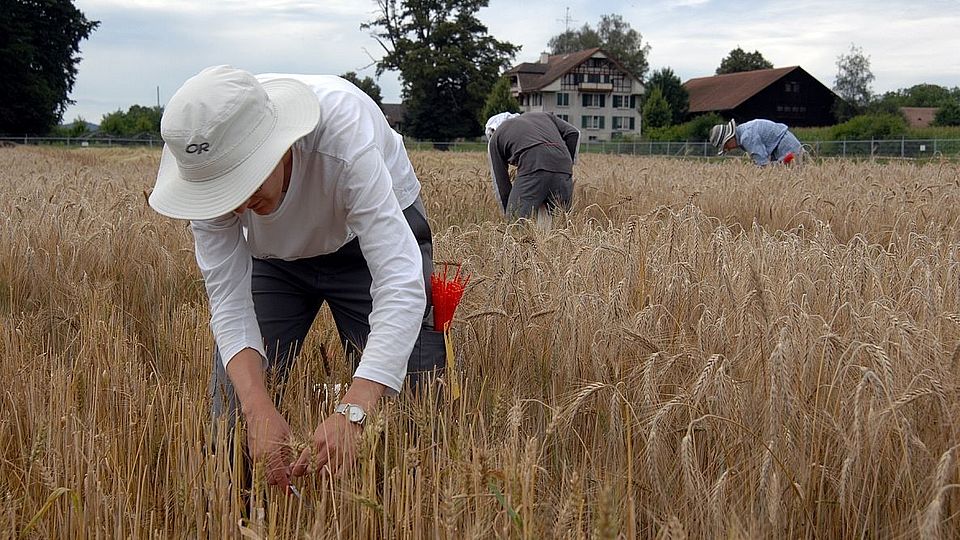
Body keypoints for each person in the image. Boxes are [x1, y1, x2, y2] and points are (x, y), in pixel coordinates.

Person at [148, 65, 445, 491]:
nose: (233, 206)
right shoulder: (201, 165)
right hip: (273, 260)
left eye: (243, 183)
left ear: (282, 147)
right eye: (221, 193)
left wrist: (356, 407)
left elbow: (399, 278)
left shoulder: (344, 137)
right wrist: (257, 410)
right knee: (234, 417)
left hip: (366, 242)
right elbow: (229, 302)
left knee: (413, 415)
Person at [485, 111, 580, 221]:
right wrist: (567, 164)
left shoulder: (495, 138)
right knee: (561, 224)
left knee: (516, 223)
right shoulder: (542, 115)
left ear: (492, 130)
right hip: (563, 167)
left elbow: (501, 183)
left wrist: (509, 212)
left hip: (533, 165)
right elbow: (574, 133)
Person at [709, 118, 804, 166]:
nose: (728, 149)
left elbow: (763, 164)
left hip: (785, 147)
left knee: (796, 175)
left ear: (729, 138)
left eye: (726, 146)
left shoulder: (747, 137)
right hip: (781, 146)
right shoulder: (743, 132)